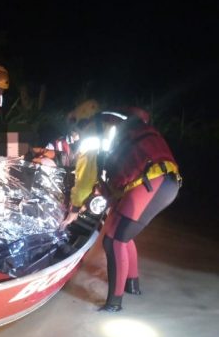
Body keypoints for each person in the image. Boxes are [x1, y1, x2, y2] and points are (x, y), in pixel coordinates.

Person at [61, 103, 182, 312]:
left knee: (113, 240)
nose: (74, 135)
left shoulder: (92, 134)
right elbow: (114, 173)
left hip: (149, 184)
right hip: (165, 181)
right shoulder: (115, 125)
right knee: (122, 232)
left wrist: (73, 212)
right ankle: (132, 285)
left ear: (82, 121)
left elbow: (84, 179)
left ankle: (113, 304)